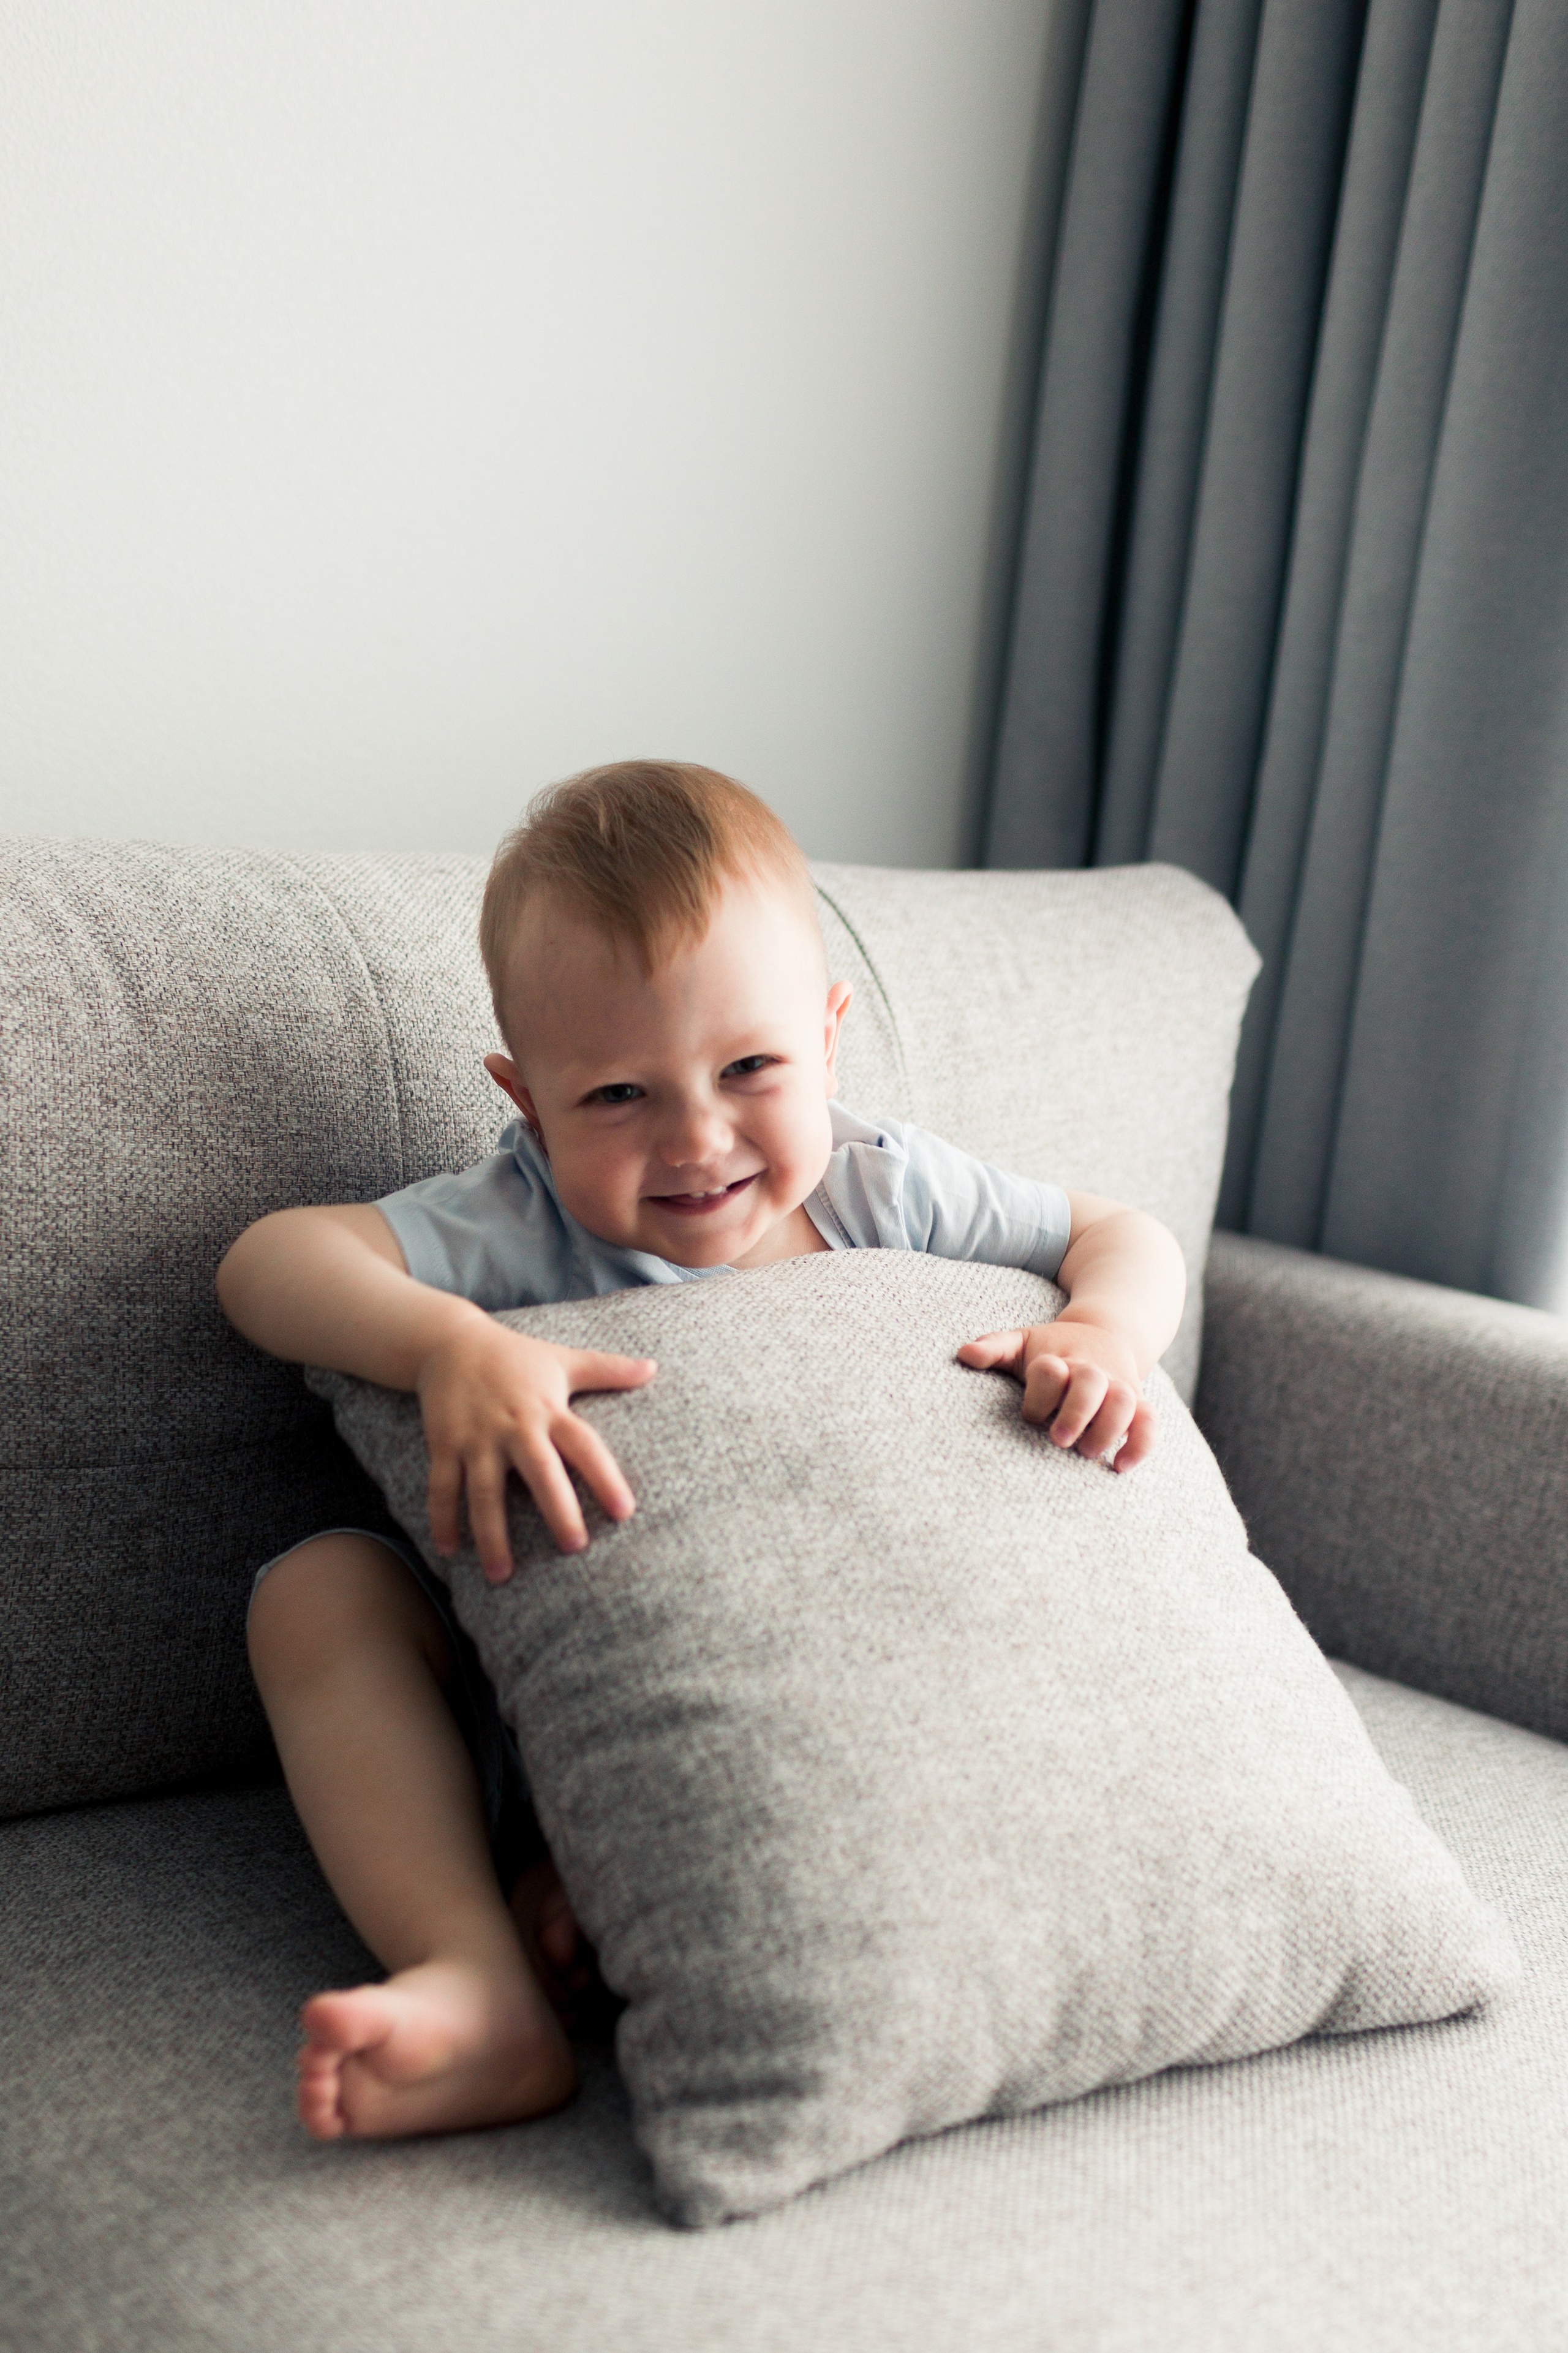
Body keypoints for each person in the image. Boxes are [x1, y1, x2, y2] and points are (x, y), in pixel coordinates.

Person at [217, 760, 1186, 2144]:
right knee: (316, 1591)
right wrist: (448, 1348)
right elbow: (270, 1263)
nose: (696, 1138)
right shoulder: (520, 1219)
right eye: (616, 1093)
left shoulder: (880, 1185)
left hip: (797, 1681)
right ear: (528, 1099)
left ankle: (604, 1888)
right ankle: (477, 1976)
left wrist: (1103, 1327)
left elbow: (1123, 1234)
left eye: (750, 1068)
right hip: (531, 1677)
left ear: (830, 1039)